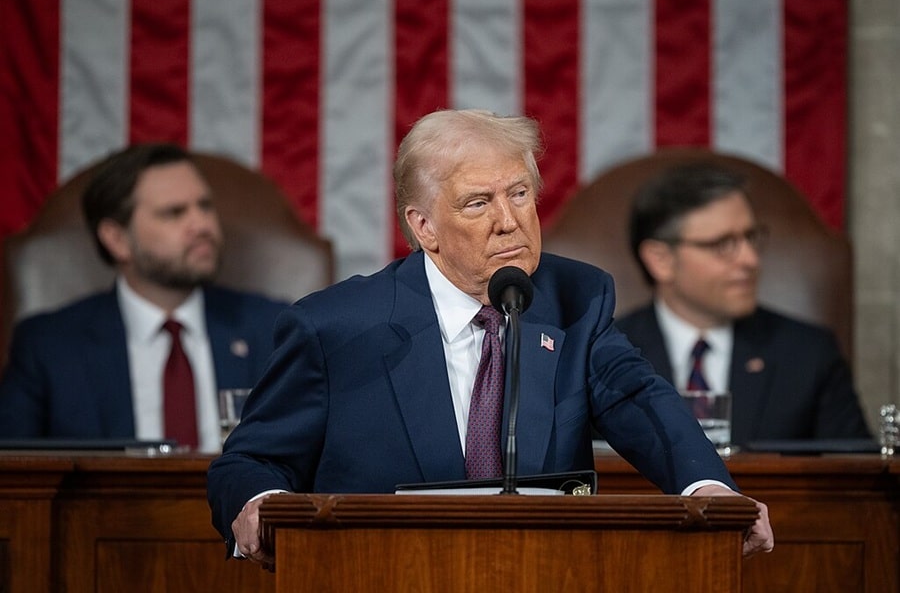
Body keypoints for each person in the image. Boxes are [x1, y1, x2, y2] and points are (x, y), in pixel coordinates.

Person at [206, 109, 773, 565]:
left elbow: (637, 398)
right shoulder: (336, 327)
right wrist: (262, 505)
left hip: (543, 573)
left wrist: (708, 489)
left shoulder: (575, 299)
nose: (509, 220)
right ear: (423, 226)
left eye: (520, 194)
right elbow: (248, 462)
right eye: (479, 203)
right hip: (378, 574)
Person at [0, 143, 288, 453]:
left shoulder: (272, 329)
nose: (202, 225)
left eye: (205, 206)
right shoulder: (50, 346)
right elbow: (15, 479)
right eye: (174, 213)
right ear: (117, 239)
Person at [615, 163, 871, 446]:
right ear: (660, 260)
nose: (750, 260)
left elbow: (857, 479)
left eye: (750, 238)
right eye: (723, 244)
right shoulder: (602, 355)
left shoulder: (809, 354)